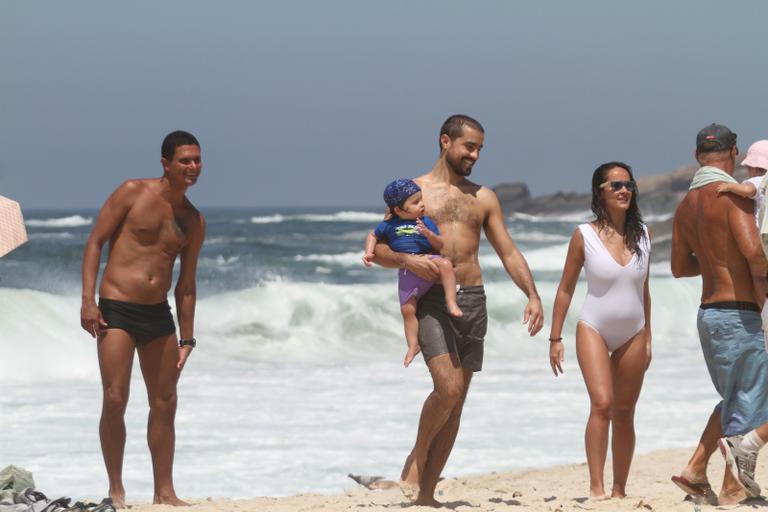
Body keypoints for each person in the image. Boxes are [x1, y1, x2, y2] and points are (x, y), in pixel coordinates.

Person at [372, 114, 544, 506]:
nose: (475, 155)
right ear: (445, 141)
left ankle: (427, 495)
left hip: (471, 298)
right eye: (469, 146)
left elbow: (508, 251)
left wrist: (532, 294)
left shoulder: (483, 197)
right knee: (447, 389)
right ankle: (416, 459)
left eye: (480, 148)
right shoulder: (411, 191)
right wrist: (407, 261)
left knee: (457, 401)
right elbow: (379, 248)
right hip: (432, 298)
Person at [80, 130, 206, 508]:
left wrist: (187, 338)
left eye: (197, 160)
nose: (193, 167)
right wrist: (89, 301)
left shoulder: (193, 220)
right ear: (165, 163)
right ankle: (116, 489)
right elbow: (94, 243)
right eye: (185, 160)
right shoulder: (132, 192)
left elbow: (186, 285)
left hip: (158, 315)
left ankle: (163, 492)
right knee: (116, 397)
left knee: (165, 401)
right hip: (117, 308)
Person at [671, 123, 768, 505]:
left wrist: (715, 263)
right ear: (733, 153)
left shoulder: (685, 206)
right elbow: (754, 254)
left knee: (735, 396)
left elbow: (680, 267)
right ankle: (732, 489)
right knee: (749, 398)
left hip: (708, 314)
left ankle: (696, 470)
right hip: (738, 314)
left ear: (698, 156)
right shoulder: (731, 197)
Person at [548, 162, 651, 499]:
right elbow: (565, 289)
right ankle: (596, 488)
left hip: (634, 332)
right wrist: (555, 337)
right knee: (603, 404)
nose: (624, 190)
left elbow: (644, 290)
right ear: (601, 192)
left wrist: (647, 335)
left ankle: (619, 490)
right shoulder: (584, 235)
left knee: (625, 412)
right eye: (616, 185)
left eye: (628, 184)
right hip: (594, 326)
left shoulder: (644, 235)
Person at [363, 178, 462, 367]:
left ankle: (451, 302)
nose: (422, 204)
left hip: (428, 259)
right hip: (408, 272)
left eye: (421, 199)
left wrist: (429, 234)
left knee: (446, 264)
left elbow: (441, 245)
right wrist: (369, 252)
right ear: (399, 210)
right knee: (407, 310)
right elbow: (373, 236)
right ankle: (412, 345)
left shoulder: (425, 222)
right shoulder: (389, 224)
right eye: (415, 202)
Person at [715, 140, 768, 225]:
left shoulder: (760, 180)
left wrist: (729, 186)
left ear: (755, 167)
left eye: (748, 168)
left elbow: (748, 190)